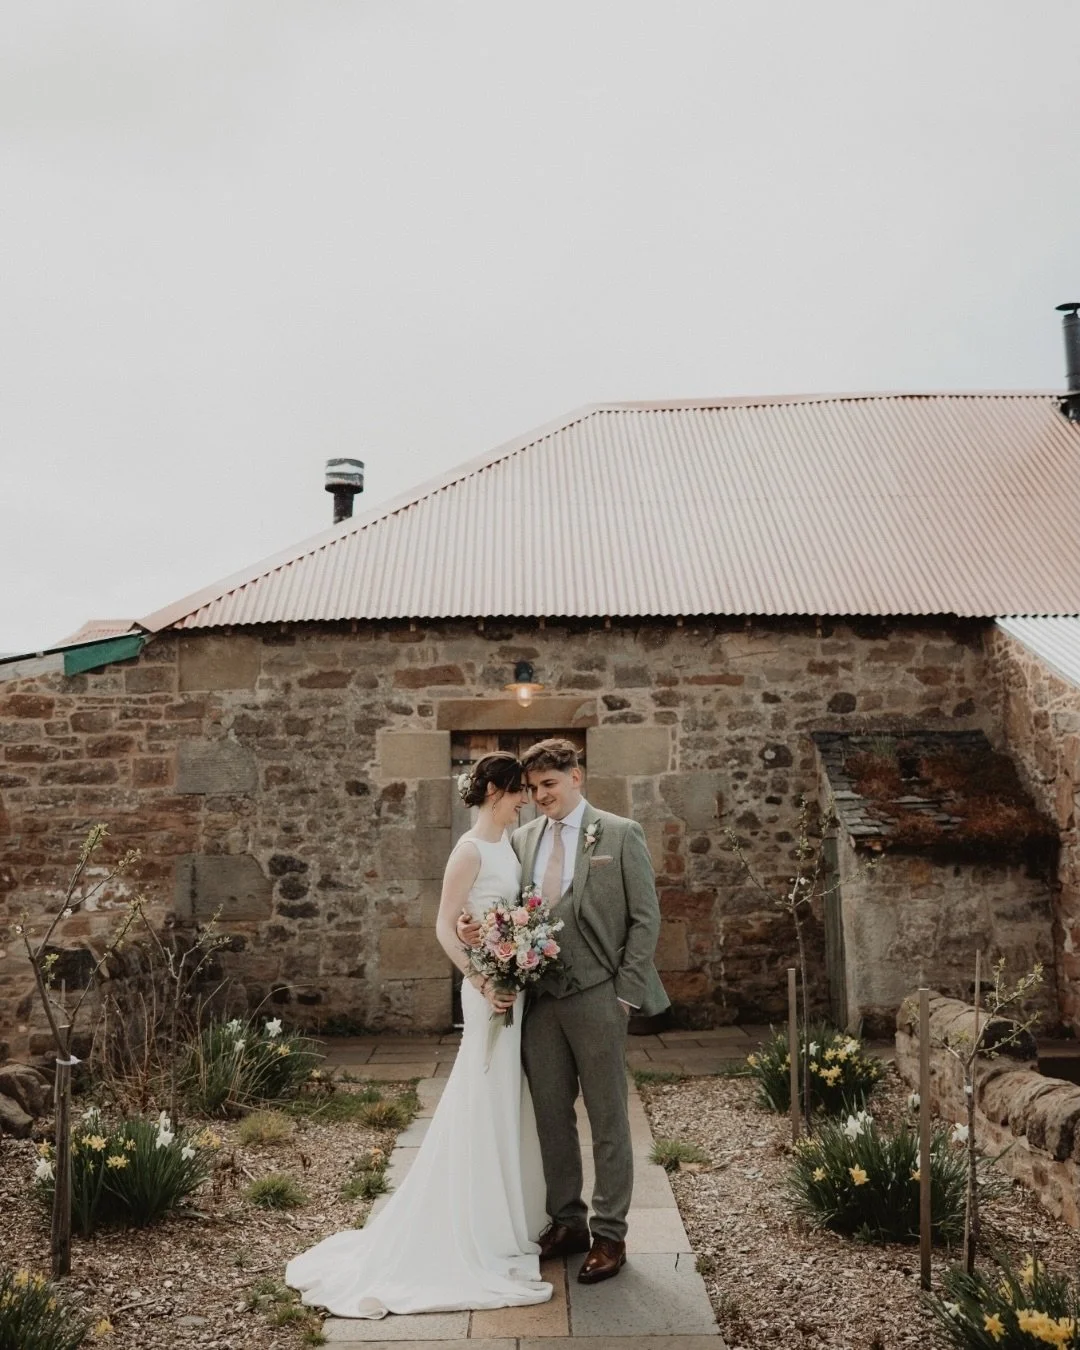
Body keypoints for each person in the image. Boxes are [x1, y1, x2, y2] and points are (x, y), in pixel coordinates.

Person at [285, 752, 553, 1318]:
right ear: (493, 792)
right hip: (488, 991)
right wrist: (482, 978)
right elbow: (443, 924)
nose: (524, 800)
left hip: (515, 984)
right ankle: (471, 1225)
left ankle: (511, 1217)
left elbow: (510, 911)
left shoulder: (510, 844)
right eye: (516, 792)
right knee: (480, 1095)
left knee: (509, 1097)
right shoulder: (469, 849)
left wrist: (516, 949)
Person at [457, 737, 669, 1285]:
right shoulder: (521, 839)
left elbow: (645, 919)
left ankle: (610, 1235)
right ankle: (568, 1222)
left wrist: (626, 992)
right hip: (541, 1000)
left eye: (549, 785)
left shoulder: (620, 834)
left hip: (600, 994)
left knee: (607, 1118)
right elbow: (501, 907)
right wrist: (470, 930)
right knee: (550, 1116)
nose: (541, 796)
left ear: (577, 777)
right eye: (532, 789)